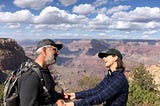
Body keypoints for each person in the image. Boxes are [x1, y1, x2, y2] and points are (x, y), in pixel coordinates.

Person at [18, 39, 65, 106]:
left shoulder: (44, 70)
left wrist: (59, 96)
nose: (57, 53)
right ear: (44, 51)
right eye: (54, 49)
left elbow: (47, 93)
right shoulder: (31, 77)